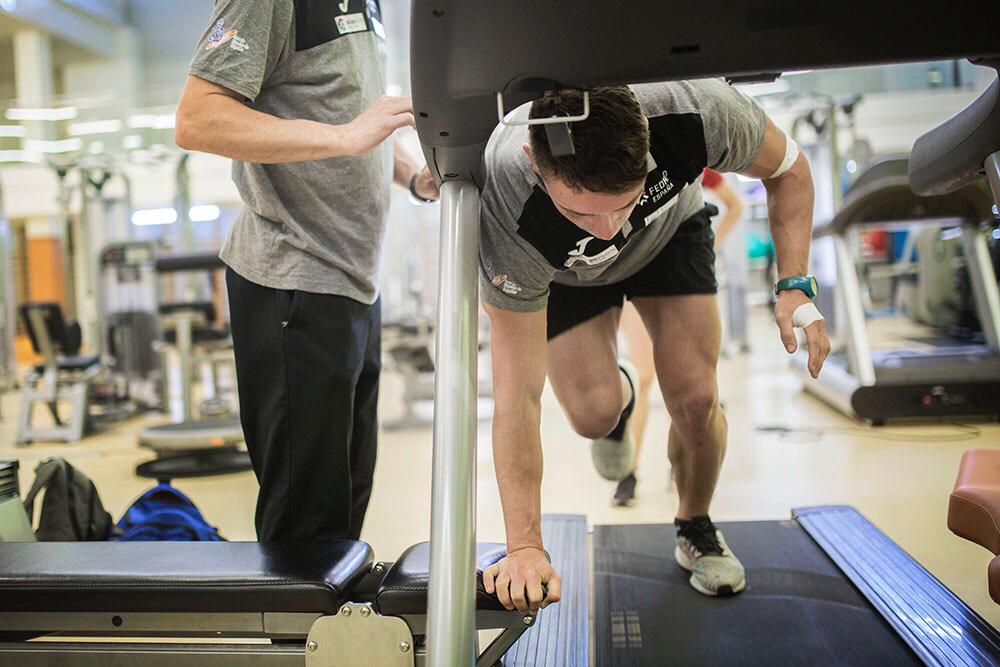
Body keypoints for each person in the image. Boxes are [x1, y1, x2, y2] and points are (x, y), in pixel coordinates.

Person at [477, 82, 830, 613]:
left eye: (621, 204)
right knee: (593, 415)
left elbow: (790, 168)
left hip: (669, 237)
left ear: (648, 145)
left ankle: (695, 524)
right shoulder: (508, 198)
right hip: (565, 274)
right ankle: (620, 403)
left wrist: (794, 283)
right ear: (533, 158)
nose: (607, 230)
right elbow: (516, 399)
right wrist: (524, 546)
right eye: (581, 212)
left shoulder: (696, 111)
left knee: (695, 400)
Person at [175, 0, 439, 542]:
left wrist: (414, 177)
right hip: (291, 278)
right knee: (306, 519)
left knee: (346, 499)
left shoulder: (369, 4)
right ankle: (300, 631)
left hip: (354, 281)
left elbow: (351, 114)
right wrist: (343, 138)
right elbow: (197, 118)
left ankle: (332, 626)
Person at [613, 168, 746, 506]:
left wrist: (710, 245)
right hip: (635, 274)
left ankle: (681, 464)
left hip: (683, 274)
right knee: (643, 377)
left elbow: (735, 205)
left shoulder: (691, 159)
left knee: (684, 381)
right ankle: (629, 473)